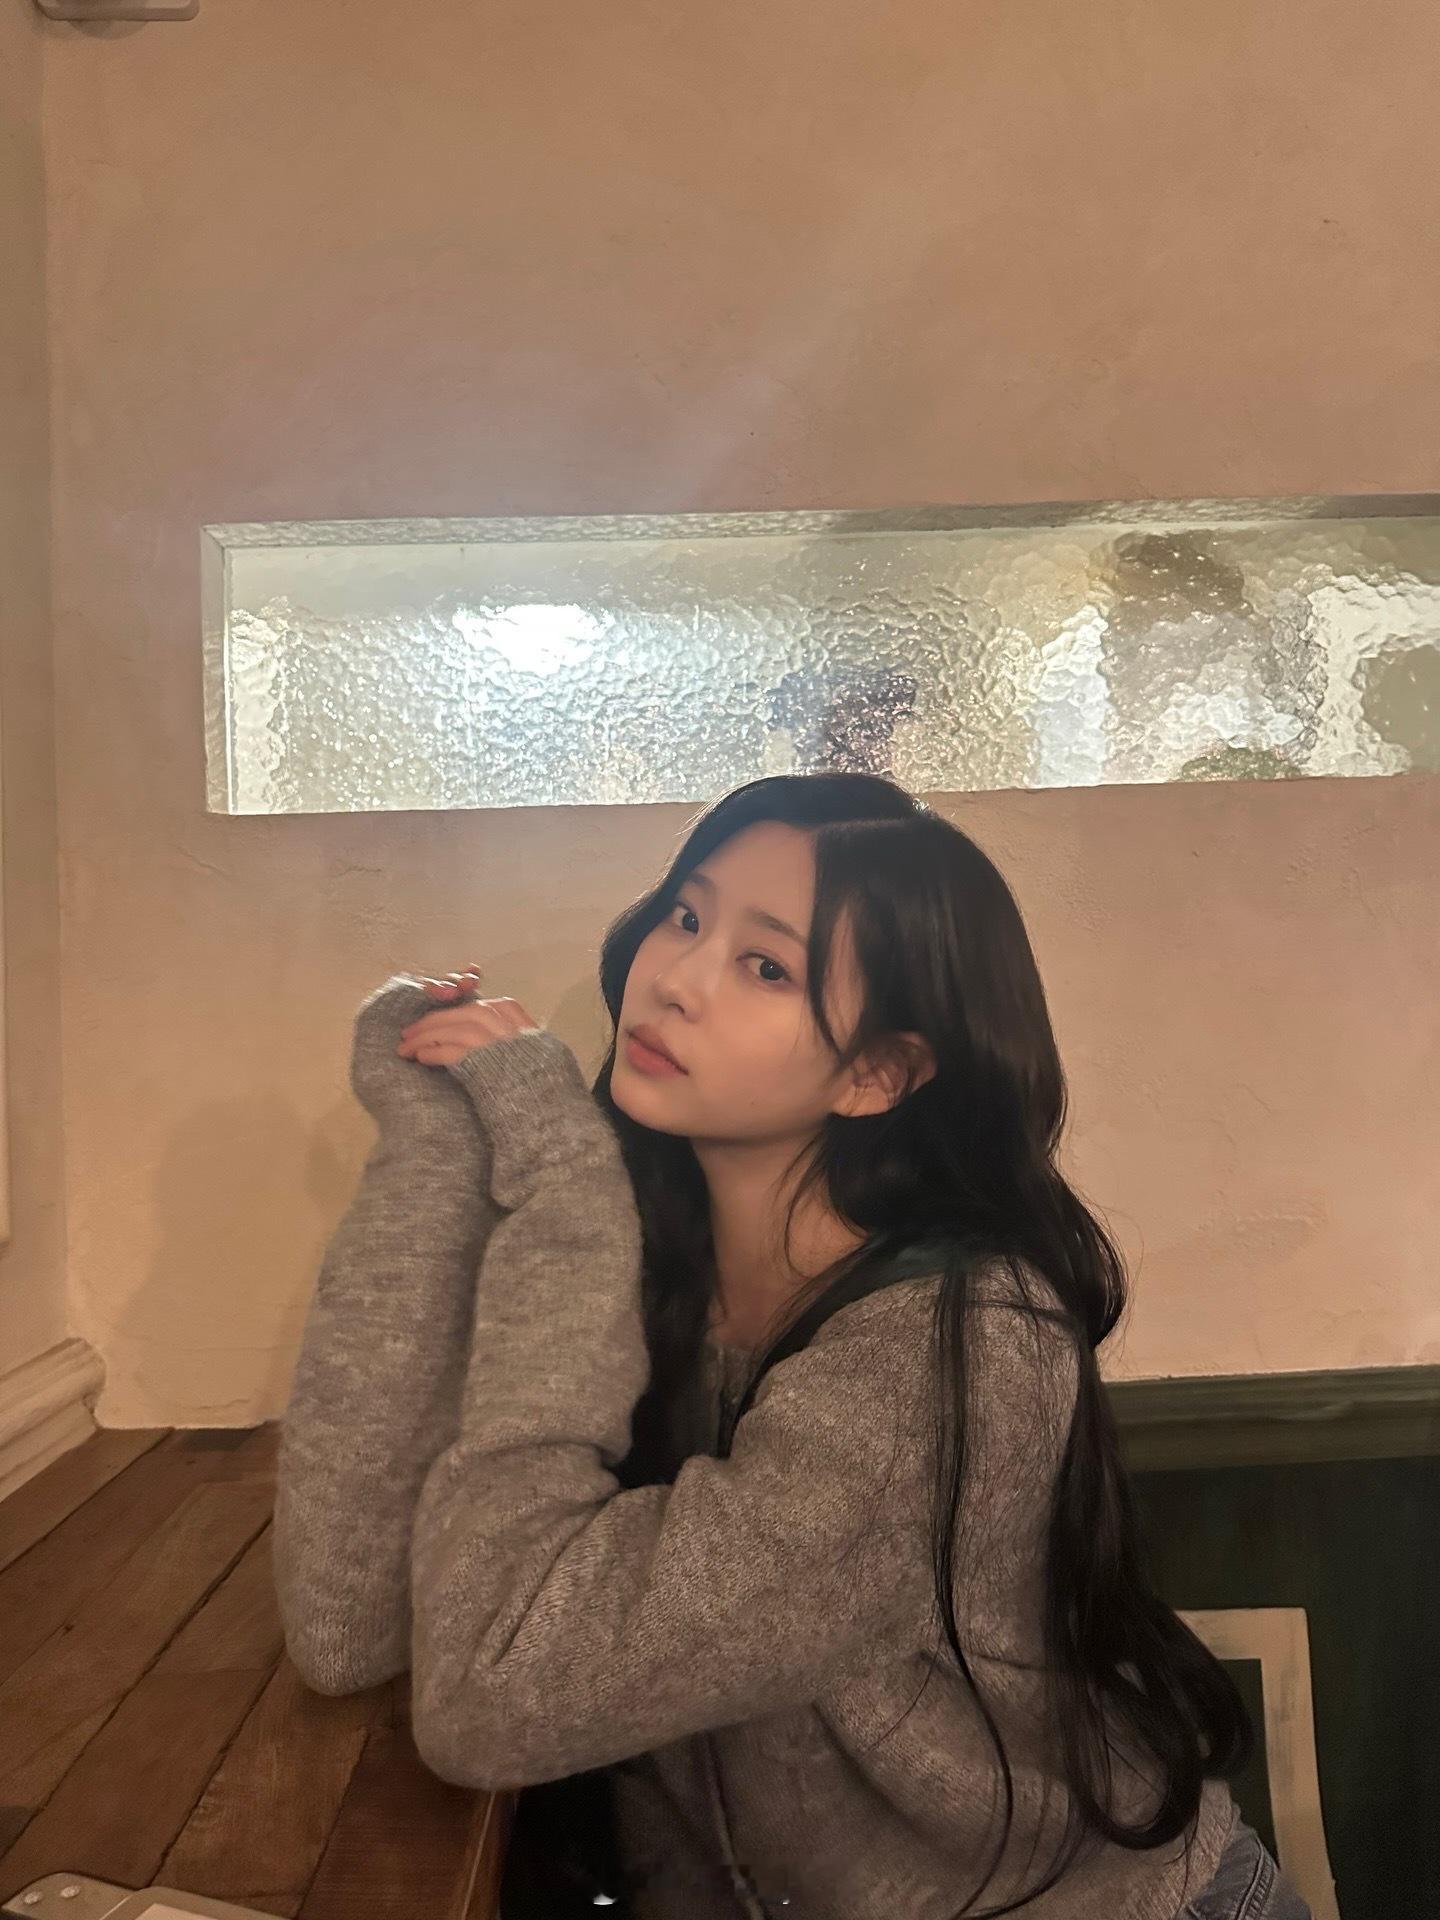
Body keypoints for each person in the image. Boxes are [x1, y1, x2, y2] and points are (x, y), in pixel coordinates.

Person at [273, 771, 1313, 1919]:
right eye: (686, 915)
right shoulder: (653, 1263)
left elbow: (489, 1700)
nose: (676, 980)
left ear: (877, 1073)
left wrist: (566, 1194)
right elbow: (345, 1623)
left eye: (765, 966)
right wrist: (427, 1141)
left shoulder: (949, 1357)